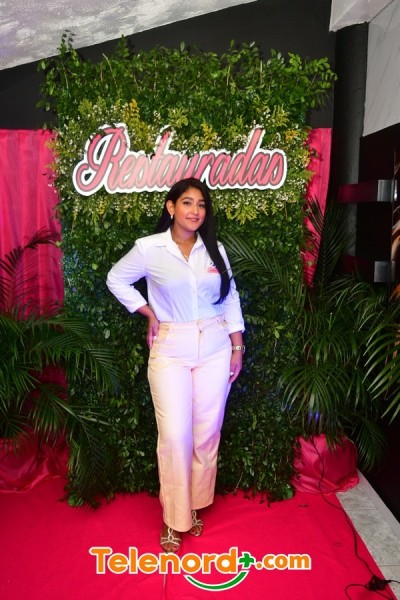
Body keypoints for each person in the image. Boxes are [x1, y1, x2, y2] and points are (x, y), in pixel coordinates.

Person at [106, 177, 245, 553]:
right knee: (174, 436)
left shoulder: (214, 249)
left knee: (206, 432)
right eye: (187, 203)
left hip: (215, 346)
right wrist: (147, 311)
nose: (195, 211)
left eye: (201, 204)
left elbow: (229, 297)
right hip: (170, 347)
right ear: (171, 207)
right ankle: (174, 517)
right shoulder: (150, 248)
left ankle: (193, 504)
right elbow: (116, 279)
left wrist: (237, 346)